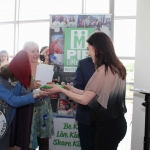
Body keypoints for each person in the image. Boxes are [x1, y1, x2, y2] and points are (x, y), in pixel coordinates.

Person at [44, 32, 127, 150]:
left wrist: (58, 89)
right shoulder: (117, 67)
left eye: (89, 49)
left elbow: (84, 100)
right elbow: (91, 94)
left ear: (97, 49)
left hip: (107, 127)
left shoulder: (102, 70)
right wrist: (70, 89)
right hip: (118, 124)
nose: (88, 53)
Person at [0, 50, 48, 150]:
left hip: (5, 124)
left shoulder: (16, 81)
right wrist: (34, 96)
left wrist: (41, 95)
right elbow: (12, 100)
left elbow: (27, 95)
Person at [26, 42, 54, 150]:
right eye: (32, 51)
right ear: (25, 52)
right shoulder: (22, 69)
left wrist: (49, 88)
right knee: (27, 140)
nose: (36, 53)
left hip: (43, 107)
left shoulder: (44, 67)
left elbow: (49, 86)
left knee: (43, 142)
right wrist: (31, 87)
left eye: (37, 51)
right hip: (28, 107)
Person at [73, 57, 96, 150]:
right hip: (86, 117)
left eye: (90, 48)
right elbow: (77, 87)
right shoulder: (83, 64)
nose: (89, 52)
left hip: (106, 120)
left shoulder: (112, 65)